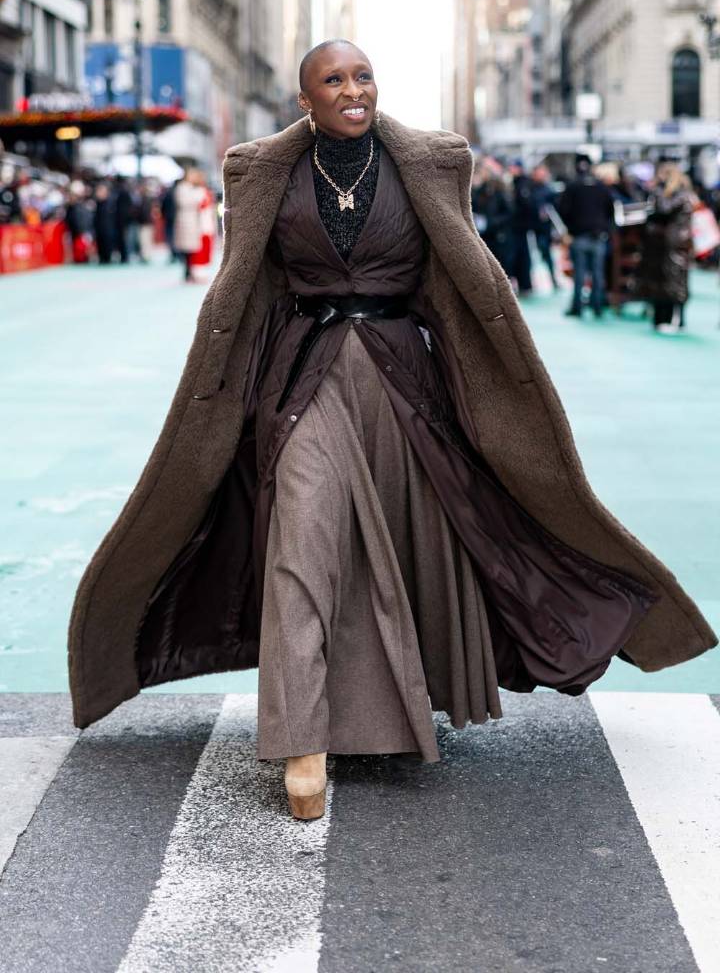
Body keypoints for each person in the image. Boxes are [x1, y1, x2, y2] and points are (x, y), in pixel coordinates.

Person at [68, 40, 716, 823]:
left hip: (404, 381)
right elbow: (250, 289)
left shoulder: (432, 162)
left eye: (363, 75)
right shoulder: (261, 170)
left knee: (410, 544)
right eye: (333, 80)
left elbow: (455, 281)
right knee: (300, 546)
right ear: (305, 100)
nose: (353, 90)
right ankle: (301, 740)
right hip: (302, 379)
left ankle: (396, 706)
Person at [638, 163, 694, 333]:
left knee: (674, 281)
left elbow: (664, 209)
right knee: (666, 281)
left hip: (673, 244)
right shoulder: (682, 193)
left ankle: (674, 320)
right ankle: (667, 318)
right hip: (668, 244)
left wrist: (656, 192)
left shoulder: (678, 194)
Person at [558, 154, 616, 318]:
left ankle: (577, 307)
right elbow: (611, 211)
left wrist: (571, 227)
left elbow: (563, 210)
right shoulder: (601, 187)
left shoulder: (572, 186)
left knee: (579, 274)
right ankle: (597, 307)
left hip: (579, 235)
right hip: (598, 236)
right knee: (598, 273)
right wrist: (605, 228)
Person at [471, 162, 513, 274]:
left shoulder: (499, 191)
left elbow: (508, 213)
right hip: (484, 233)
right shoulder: (478, 191)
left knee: (501, 264)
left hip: (498, 234)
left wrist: (492, 222)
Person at [530, 163, 559, 291]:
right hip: (531, 227)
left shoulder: (548, 189)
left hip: (545, 228)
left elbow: (555, 206)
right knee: (533, 255)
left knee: (546, 253)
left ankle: (553, 279)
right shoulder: (530, 189)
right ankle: (533, 280)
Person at [173, 167, 205, 282]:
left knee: (191, 248)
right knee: (187, 248)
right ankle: (187, 272)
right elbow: (186, 202)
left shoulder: (190, 188)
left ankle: (189, 271)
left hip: (191, 219)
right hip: (186, 219)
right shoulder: (182, 188)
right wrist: (196, 197)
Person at [508, 160, 534, 295]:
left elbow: (525, 205)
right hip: (519, 227)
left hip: (519, 227)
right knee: (519, 256)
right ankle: (523, 284)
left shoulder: (522, 184)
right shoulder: (518, 183)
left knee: (520, 256)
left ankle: (524, 285)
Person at [92, 183, 116, 265]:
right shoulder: (97, 204)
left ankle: (107, 258)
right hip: (99, 228)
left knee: (107, 244)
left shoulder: (110, 203)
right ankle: (102, 258)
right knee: (100, 243)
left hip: (107, 228)